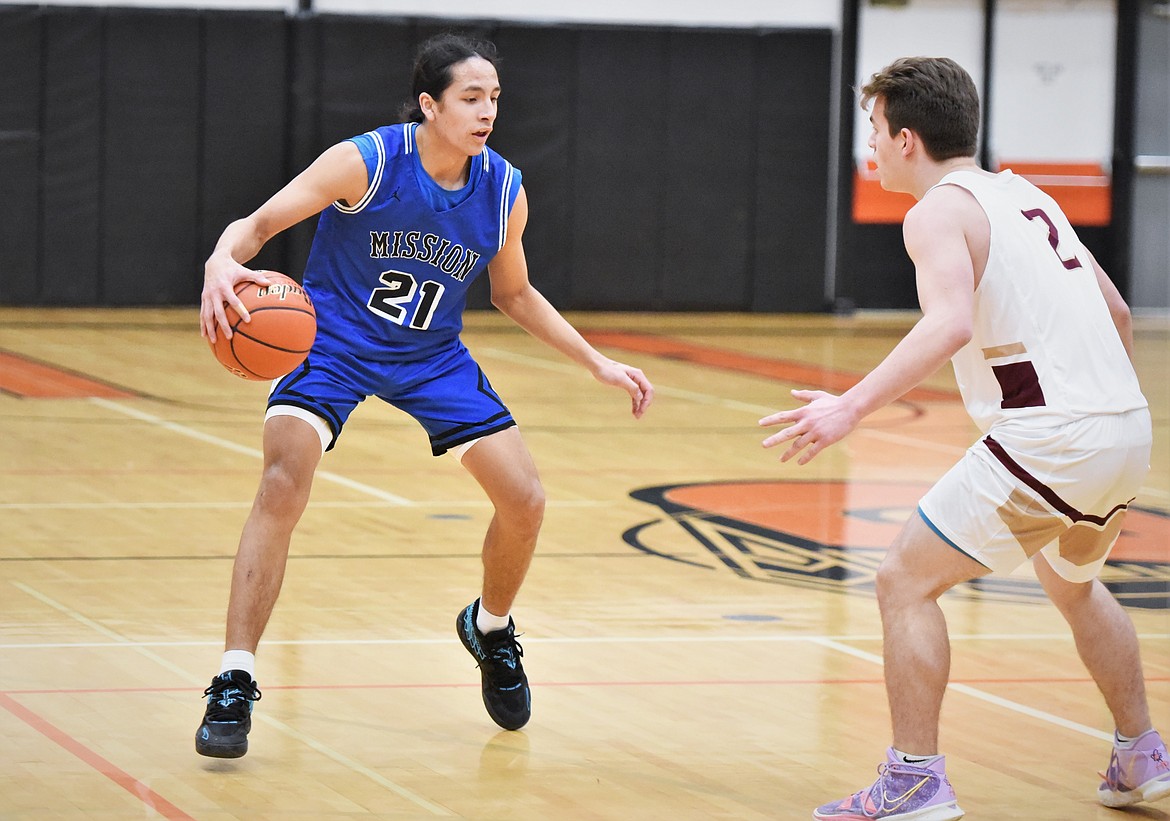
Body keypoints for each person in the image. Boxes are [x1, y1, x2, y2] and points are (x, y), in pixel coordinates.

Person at [195, 32, 653, 759]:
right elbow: (255, 226)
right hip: (334, 342)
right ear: (429, 104)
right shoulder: (367, 161)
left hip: (431, 355)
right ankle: (234, 675)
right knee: (283, 481)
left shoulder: (502, 188)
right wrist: (222, 261)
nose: (487, 111)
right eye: (471, 98)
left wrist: (595, 361)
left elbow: (515, 294)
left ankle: (491, 627)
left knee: (526, 499)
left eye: (494, 98)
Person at [760, 56, 1168, 819]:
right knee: (1073, 584)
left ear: (907, 138)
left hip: (1052, 436)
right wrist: (1104, 412)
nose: (872, 146)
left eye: (875, 131)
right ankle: (1140, 753)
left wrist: (848, 408)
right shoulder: (1025, 194)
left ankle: (914, 779)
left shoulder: (936, 212)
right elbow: (1115, 314)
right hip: (1124, 428)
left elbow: (946, 324)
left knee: (902, 580)